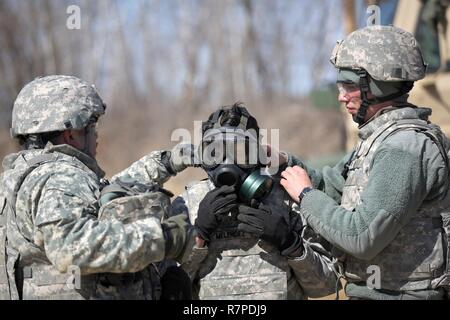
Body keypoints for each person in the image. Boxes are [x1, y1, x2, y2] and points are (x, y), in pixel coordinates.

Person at [279, 25, 450, 300]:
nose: (340, 95)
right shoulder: (378, 139)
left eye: (348, 85)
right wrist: (282, 162)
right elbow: (330, 186)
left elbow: (361, 236)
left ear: (378, 85)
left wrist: (305, 195)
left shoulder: (404, 147)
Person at [0, 75, 196, 300]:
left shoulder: (19, 176)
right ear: (71, 133)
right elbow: (70, 246)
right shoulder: (60, 176)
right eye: (92, 125)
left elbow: (101, 192)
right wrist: (166, 238)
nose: (97, 135)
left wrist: (166, 162)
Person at [172, 103, 338, 300]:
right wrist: (198, 236)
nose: (228, 163)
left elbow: (327, 285)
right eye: (216, 153)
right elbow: (169, 291)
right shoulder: (187, 204)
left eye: (242, 152)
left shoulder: (287, 198)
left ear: (259, 155)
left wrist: (290, 243)